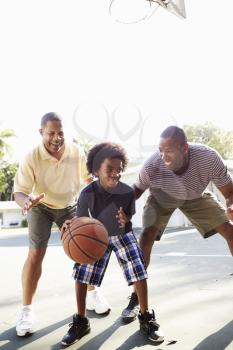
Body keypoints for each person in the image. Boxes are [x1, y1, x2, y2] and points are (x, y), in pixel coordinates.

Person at [121, 125, 233, 322]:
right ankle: (135, 296)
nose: (164, 156)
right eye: (160, 150)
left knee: (229, 230)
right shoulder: (152, 165)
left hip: (195, 197)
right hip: (161, 197)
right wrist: (125, 212)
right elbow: (136, 190)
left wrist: (232, 205)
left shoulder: (208, 158)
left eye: (170, 150)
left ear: (185, 148)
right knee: (146, 236)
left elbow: (230, 192)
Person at [14, 112, 110, 337]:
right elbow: (19, 192)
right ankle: (26, 310)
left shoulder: (76, 151)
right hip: (40, 205)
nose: (56, 138)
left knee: (85, 251)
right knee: (36, 255)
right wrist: (26, 201)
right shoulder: (31, 157)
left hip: (68, 205)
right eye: (51, 133)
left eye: (61, 133)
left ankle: (93, 293)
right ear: (41, 132)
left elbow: (88, 180)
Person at [61, 142, 164, 346]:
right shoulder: (86, 194)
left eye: (119, 170)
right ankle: (81, 321)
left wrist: (125, 221)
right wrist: (70, 227)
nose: (115, 173)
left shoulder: (127, 193)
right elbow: (80, 223)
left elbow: (127, 221)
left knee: (138, 269)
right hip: (95, 234)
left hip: (121, 234)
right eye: (110, 169)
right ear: (96, 169)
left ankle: (145, 317)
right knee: (82, 271)